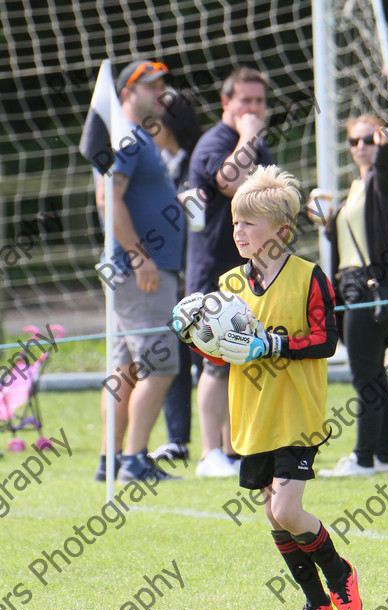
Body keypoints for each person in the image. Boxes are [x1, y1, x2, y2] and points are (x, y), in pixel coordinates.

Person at [178, 165, 362, 610]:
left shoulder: (309, 277)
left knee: (286, 509)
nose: (238, 231)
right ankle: (315, 604)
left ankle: (341, 575)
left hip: (297, 412)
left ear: (281, 231)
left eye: (249, 224)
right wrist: (194, 336)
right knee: (271, 512)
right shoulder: (229, 286)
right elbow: (221, 354)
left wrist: (275, 345)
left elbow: (326, 341)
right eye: (236, 223)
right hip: (252, 415)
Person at [93, 59, 185, 483]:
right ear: (127, 94)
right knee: (160, 365)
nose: (159, 93)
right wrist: (140, 255)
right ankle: (133, 461)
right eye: (150, 87)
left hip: (132, 268)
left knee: (126, 369)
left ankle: (111, 461)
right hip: (140, 270)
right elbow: (107, 197)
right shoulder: (130, 138)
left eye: (161, 85)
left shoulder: (135, 139)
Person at [186, 66, 274, 477]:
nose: (253, 108)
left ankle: (234, 450)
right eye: (245, 100)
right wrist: (250, 133)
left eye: (259, 101)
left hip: (249, 274)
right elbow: (230, 180)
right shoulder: (216, 142)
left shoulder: (258, 145)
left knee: (241, 358)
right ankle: (209, 454)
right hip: (212, 275)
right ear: (226, 102)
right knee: (215, 363)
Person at [315, 114, 388, 477]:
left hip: (370, 289)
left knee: (364, 376)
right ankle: (384, 457)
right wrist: (325, 222)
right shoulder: (354, 188)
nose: (362, 147)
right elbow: (347, 245)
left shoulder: (383, 181)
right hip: (352, 286)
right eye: (355, 141)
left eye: (369, 139)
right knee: (375, 375)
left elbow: (385, 163)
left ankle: (363, 458)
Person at [149, 89, 203, 465]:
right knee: (174, 357)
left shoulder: (196, 161)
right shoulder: (157, 162)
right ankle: (177, 440)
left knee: (210, 360)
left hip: (200, 272)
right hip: (169, 274)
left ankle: (227, 444)